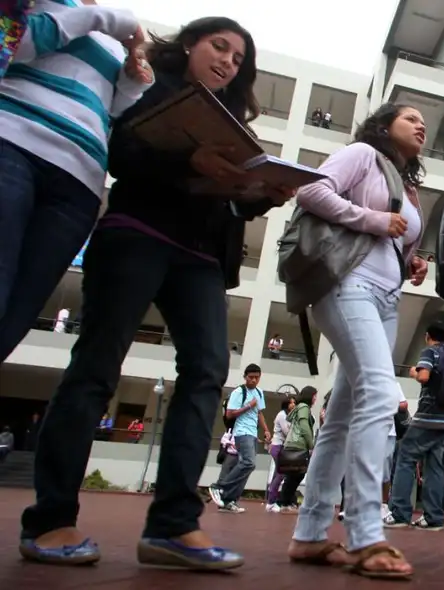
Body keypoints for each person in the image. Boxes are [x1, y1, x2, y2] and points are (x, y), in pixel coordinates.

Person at [19, 17, 290, 570]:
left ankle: (172, 527)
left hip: (200, 255)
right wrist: (186, 159)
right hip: (137, 232)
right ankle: (50, 519)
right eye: (219, 47)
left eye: (238, 59)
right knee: (96, 367)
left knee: (209, 372)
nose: (227, 62)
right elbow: (119, 152)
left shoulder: (232, 119)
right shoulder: (148, 86)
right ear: (190, 44)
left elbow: (229, 203)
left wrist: (260, 194)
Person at [286, 102, 429, 580]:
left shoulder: (408, 186)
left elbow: (392, 236)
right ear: (385, 125)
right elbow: (310, 191)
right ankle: (367, 532)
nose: (420, 124)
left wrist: (411, 260)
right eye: (409, 118)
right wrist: (372, 220)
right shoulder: (363, 155)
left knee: (343, 415)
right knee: (379, 394)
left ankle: (309, 535)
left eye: (422, 121)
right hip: (348, 285)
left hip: (386, 300)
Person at [0, 1, 151, 364]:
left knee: (21, 309)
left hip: (79, 181)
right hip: (12, 143)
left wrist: (131, 81)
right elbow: (11, 46)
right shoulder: (37, 4)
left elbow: (109, 112)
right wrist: (101, 17)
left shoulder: (116, 41)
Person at [385, 323, 444, 530]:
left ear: (427, 336)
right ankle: (434, 517)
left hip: (428, 415)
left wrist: (414, 373)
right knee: (435, 465)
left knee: (405, 455)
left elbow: (425, 376)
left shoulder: (430, 351)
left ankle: (399, 513)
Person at [209, 365, 270, 513]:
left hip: (253, 433)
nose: (254, 380)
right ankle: (219, 487)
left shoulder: (259, 392)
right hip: (241, 432)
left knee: (248, 466)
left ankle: (229, 501)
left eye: (257, 377)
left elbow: (259, 413)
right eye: (251, 377)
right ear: (245, 377)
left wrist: (266, 430)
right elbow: (229, 414)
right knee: (249, 462)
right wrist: (248, 406)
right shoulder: (238, 392)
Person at [277, 387, 317, 512]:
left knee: (293, 474)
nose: (315, 398)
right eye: (315, 396)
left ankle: (285, 502)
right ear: (310, 396)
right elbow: (304, 426)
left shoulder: (300, 407)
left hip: (292, 443)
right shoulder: (304, 407)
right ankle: (284, 502)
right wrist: (311, 444)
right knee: (297, 474)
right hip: (298, 444)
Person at [266, 396, 294, 512]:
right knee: (281, 473)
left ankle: (271, 500)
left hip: (280, 446)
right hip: (278, 446)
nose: (293, 404)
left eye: (294, 403)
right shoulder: (282, 415)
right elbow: (287, 431)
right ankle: (271, 502)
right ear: (286, 404)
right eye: (292, 403)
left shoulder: (287, 415)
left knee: (277, 474)